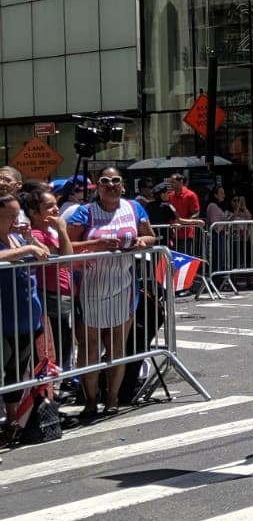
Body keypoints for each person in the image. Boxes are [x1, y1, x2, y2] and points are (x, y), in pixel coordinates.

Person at [65, 169, 155, 419]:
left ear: (123, 186)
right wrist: (97, 244)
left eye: (116, 181)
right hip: (91, 287)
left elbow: (150, 236)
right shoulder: (84, 212)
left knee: (117, 346)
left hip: (122, 285)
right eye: (105, 181)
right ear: (97, 186)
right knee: (90, 348)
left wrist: (142, 242)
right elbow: (68, 246)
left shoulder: (135, 207)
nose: (111, 185)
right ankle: (91, 400)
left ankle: (113, 398)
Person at [0, 192, 47, 447]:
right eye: (9, 215)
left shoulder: (16, 237)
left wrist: (30, 240)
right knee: (6, 371)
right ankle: (8, 419)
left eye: (16, 214)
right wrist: (27, 248)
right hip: (5, 319)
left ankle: (14, 419)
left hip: (28, 318)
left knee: (18, 371)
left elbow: (44, 252)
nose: (14, 219)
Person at [22, 182, 74, 373]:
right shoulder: (36, 235)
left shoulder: (47, 233)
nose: (56, 209)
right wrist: (62, 230)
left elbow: (67, 257)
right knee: (53, 348)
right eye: (49, 206)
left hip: (61, 294)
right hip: (50, 296)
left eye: (56, 204)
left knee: (63, 344)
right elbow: (66, 259)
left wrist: (60, 231)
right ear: (34, 213)